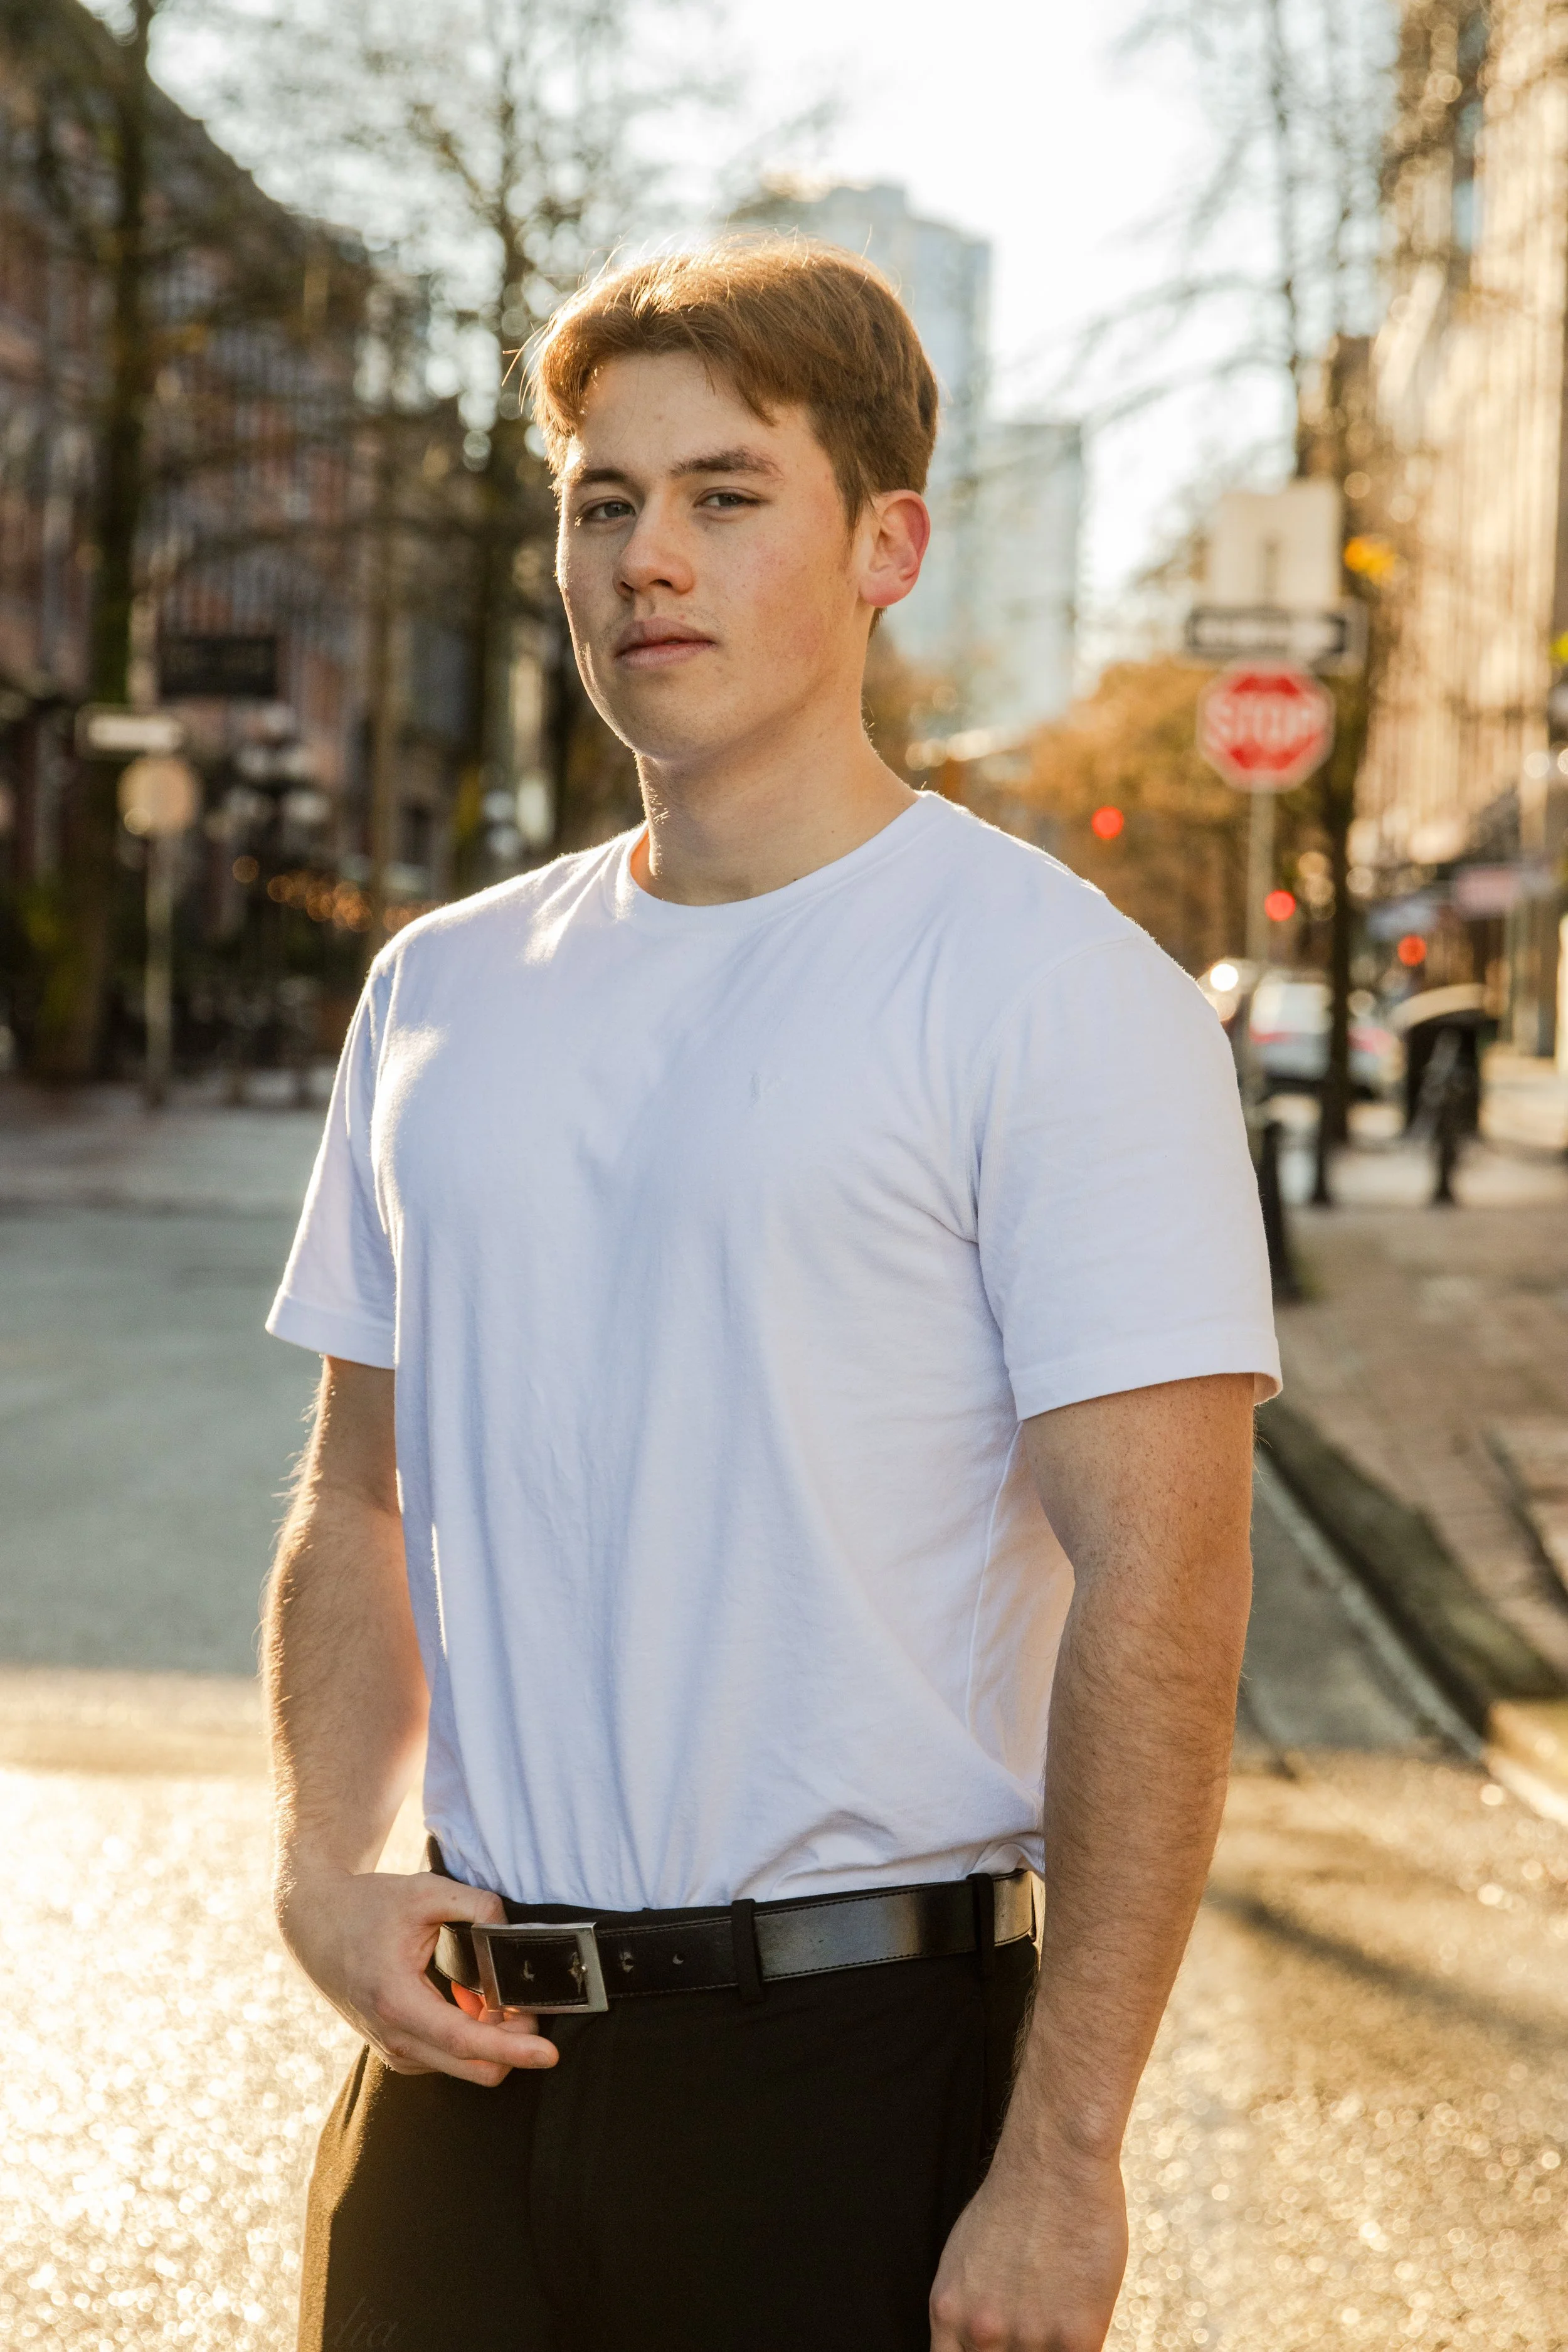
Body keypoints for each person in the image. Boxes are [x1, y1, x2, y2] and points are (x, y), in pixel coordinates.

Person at [263, 239, 1280, 2352]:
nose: (652, 557)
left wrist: (1063, 2151)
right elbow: (356, 1499)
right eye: (602, 500)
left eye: (727, 496)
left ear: (884, 541)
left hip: (853, 2082)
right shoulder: (438, 992)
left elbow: (1163, 1593)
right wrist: (321, 1857)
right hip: (462, 2063)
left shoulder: (1054, 997)